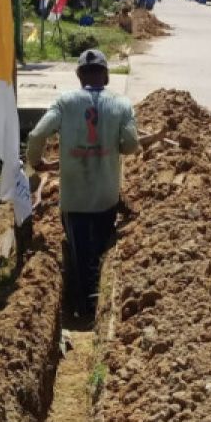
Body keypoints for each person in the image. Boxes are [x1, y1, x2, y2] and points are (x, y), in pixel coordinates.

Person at [26, 49, 159, 320]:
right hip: (105, 198)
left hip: (73, 199)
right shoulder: (121, 105)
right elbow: (132, 145)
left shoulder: (64, 103)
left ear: (78, 76)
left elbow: (37, 133)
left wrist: (37, 163)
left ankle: (83, 308)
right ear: (107, 75)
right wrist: (114, 145)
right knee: (99, 251)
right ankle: (95, 308)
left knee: (78, 255)